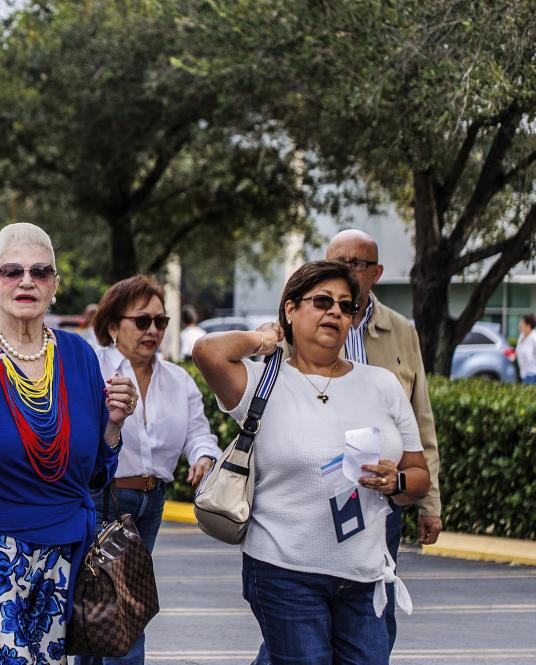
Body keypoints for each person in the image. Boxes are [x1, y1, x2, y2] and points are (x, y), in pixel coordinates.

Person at [193, 260, 430, 665]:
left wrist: (397, 482)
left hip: (364, 573)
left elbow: (419, 475)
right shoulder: (264, 381)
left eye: (346, 306)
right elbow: (207, 352)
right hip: (283, 567)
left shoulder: (382, 385)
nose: (335, 312)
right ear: (290, 309)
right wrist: (264, 338)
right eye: (322, 301)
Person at [0, 222, 138, 665]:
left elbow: (95, 475)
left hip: (67, 555)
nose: (26, 281)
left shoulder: (79, 357)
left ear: (55, 287)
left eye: (40, 272)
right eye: (12, 271)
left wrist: (114, 426)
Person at [76, 275, 219, 665]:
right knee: (123, 611)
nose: (153, 330)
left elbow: (199, 433)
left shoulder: (178, 379)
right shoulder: (92, 368)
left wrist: (204, 457)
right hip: (103, 499)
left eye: (161, 321)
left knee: (101, 611)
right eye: (142, 321)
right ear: (112, 326)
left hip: (151, 504)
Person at [325, 228, 442, 654]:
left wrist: (429, 504)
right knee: (309, 610)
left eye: (356, 264)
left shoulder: (400, 330)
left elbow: (421, 420)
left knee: (374, 608)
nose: (345, 272)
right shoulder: (304, 321)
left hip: (382, 496)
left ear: (376, 272)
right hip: (315, 494)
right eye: (336, 262)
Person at [516, 313, 536, 384]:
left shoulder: (535, 338)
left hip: (533, 373)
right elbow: (519, 351)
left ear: (528, 325)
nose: (519, 324)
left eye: (522, 322)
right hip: (524, 373)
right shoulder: (522, 335)